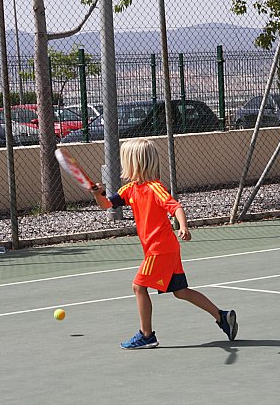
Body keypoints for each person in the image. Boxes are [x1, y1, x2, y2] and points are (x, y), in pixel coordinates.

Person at [91, 138, 238, 349]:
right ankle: (222, 317)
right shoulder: (129, 190)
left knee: (138, 286)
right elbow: (106, 204)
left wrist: (183, 226)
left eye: (126, 161)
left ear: (136, 163)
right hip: (163, 249)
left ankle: (146, 335)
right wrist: (98, 194)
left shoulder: (154, 188)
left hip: (159, 250)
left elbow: (175, 206)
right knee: (181, 292)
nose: (124, 166)